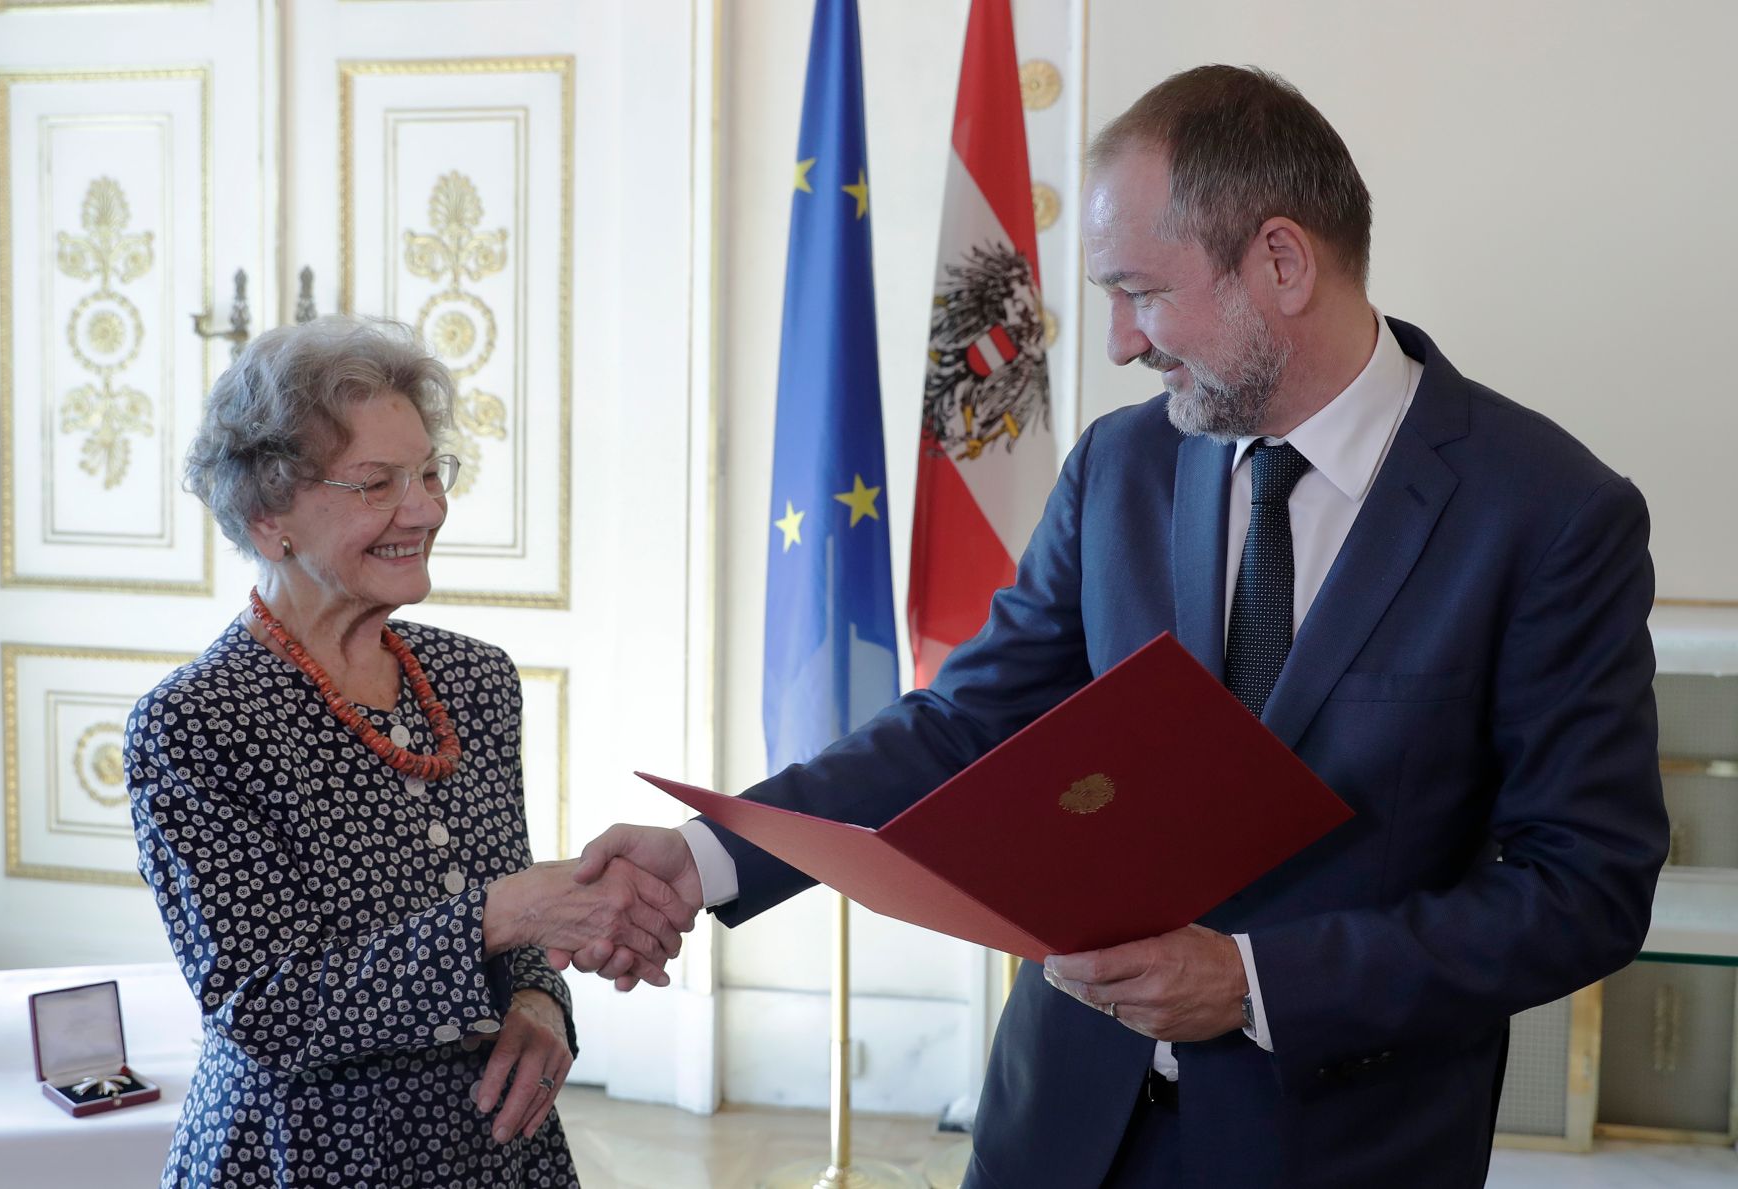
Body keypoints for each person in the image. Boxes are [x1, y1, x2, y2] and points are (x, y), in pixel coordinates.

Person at [567, 66, 1669, 1187]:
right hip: (1057, 1128)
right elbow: (966, 725)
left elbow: (1584, 886)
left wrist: (1253, 982)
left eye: (1138, 291)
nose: (1118, 345)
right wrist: (708, 857)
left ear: (1281, 263)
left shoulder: (1548, 514)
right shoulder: (1119, 465)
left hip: (1338, 1149)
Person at [126, 316, 694, 1188]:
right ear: (268, 515)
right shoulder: (197, 723)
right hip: (306, 1157)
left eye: (429, 473)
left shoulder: (474, 678)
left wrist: (540, 999)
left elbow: (519, 927)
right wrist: (506, 912)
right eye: (376, 483)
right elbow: (267, 1009)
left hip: (495, 1151)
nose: (426, 508)